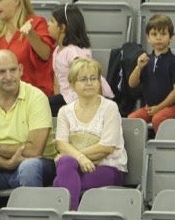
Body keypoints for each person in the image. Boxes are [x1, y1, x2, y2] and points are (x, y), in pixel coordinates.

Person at [0, 49, 57, 190]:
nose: (8, 76)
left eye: (13, 70)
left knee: (29, 166)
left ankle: (31, 212)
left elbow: (34, 151)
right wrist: (6, 164)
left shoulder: (37, 97)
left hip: (36, 164)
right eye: (1, 72)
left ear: (21, 70)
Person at [53, 57, 127, 210]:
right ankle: (73, 214)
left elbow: (106, 148)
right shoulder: (64, 112)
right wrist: (79, 159)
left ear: (100, 82)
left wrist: (75, 156)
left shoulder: (110, 108)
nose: (89, 83)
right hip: (76, 168)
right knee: (66, 164)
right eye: (83, 79)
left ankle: (68, 216)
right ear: (72, 84)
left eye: (93, 78)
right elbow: (61, 144)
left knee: (60, 181)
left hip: (109, 167)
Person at [0, 0, 54, 97]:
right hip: (3, 94)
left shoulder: (36, 23)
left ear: (16, 0)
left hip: (32, 94)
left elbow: (46, 54)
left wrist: (30, 34)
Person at [47, 4, 112, 115]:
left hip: (81, 98)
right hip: (67, 97)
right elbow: (57, 82)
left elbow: (90, 79)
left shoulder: (74, 53)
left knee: (44, 107)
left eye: (52, 21)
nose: (48, 24)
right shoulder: (58, 50)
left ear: (63, 28)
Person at [126, 14, 175, 133]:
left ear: (171, 37)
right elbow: (132, 84)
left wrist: (159, 107)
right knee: (131, 120)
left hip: (174, 107)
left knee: (159, 118)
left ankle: (162, 148)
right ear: (148, 38)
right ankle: (140, 149)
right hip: (150, 107)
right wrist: (138, 67)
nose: (159, 38)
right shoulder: (145, 60)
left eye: (163, 34)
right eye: (154, 34)